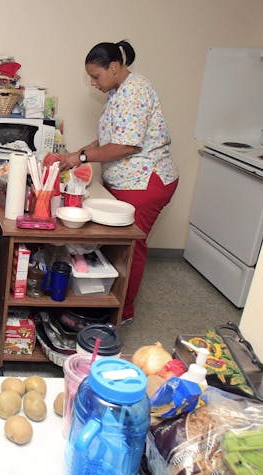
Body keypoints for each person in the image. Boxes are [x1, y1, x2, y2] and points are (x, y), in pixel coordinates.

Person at [57, 40, 179, 325]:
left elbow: (126, 146)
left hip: (144, 183)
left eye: (96, 76)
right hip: (128, 182)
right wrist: (78, 154)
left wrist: (82, 157)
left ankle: (122, 312)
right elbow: (112, 136)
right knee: (115, 247)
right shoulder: (118, 91)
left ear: (114, 67)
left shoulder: (134, 92)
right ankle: (103, 301)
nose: (92, 82)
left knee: (130, 249)